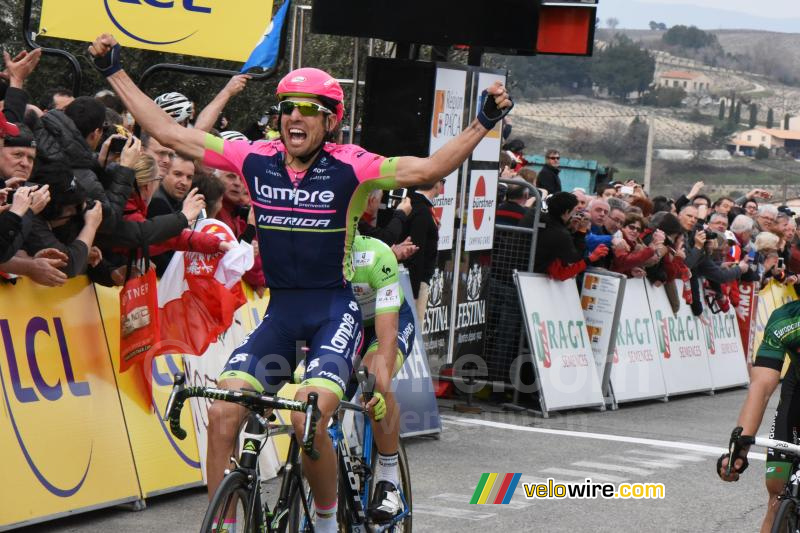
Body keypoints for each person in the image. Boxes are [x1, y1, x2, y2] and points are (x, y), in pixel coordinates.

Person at [87, 32, 512, 533]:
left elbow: (428, 171)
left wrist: (483, 122)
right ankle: (223, 522)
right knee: (224, 410)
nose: (295, 116)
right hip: (282, 315)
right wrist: (114, 70)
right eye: (287, 106)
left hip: (335, 310)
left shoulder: (354, 166)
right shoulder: (254, 157)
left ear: (330, 120)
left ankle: (331, 521)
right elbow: (171, 133)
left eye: (309, 108)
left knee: (306, 417)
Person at [348, 235, 415, 521]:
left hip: (387, 322)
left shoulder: (374, 254)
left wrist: (378, 375)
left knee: (374, 379)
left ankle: (389, 481)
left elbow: (386, 337)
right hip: (348, 327)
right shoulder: (313, 254)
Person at [718, 299, 800, 533]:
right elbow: (761, 387)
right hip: (797, 394)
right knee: (778, 491)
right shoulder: (786, 319)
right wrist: (738, 451)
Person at [402, 179, 444, 319]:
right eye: (443, 181)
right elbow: (416, 250)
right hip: (414, 280)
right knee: (414, 331)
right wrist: (414, 291)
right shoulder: (421, 210)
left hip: (413, 278)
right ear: (436, 183)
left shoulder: (418, 205)